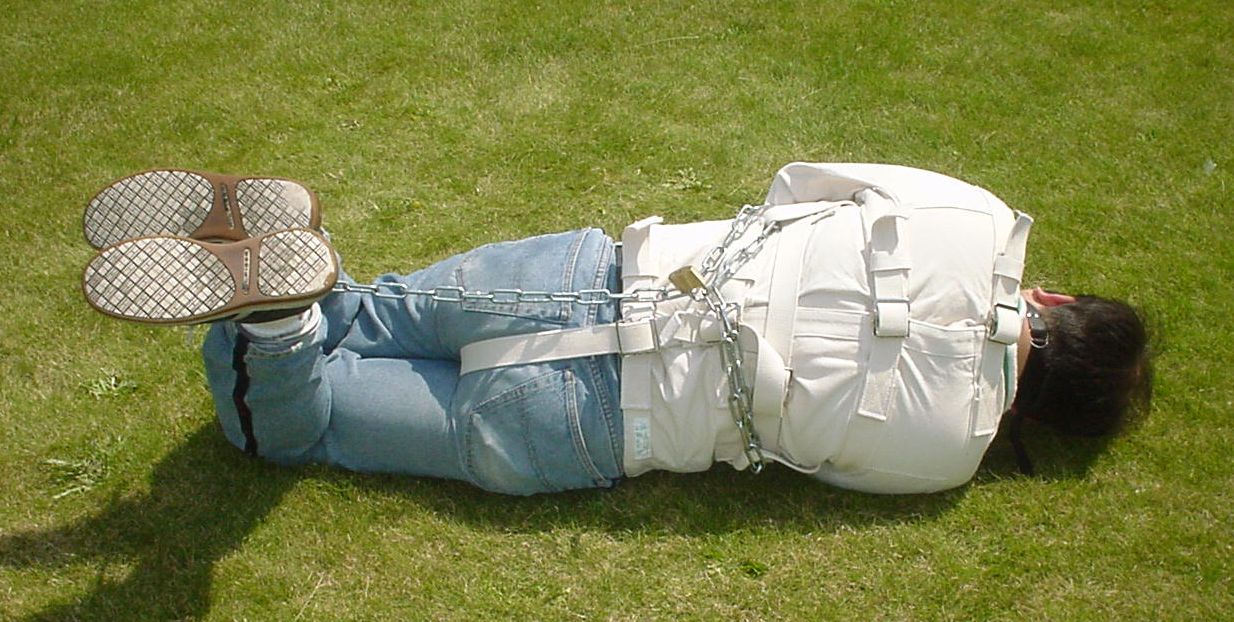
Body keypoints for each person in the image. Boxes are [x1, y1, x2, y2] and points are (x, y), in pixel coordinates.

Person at [81, 164, 1152, 495]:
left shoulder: (972, 217)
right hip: (592, 424)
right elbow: (808, 458)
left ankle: (290, 282)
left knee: (361, 313)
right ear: (1036, 417)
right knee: (293, 427)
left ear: (1056, 303)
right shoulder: (945, 457)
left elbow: (799, 182)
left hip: (593, 271)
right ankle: (271, 319)